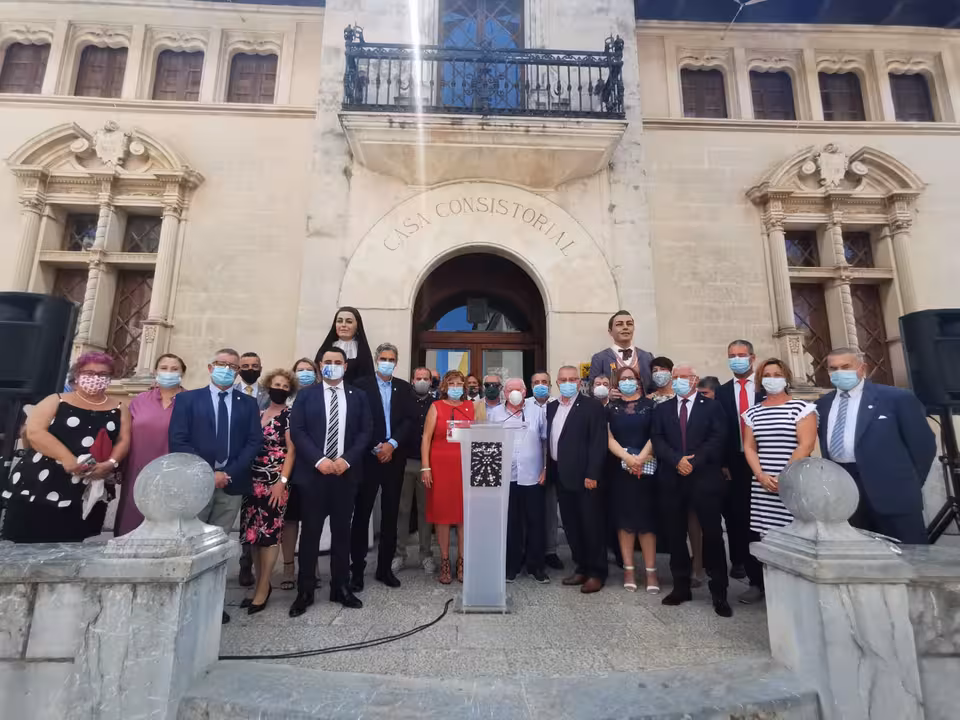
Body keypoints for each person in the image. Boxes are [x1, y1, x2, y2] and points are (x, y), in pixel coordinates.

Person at [169, 347, 262, 624]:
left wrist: (228, 473)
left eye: (233, 367)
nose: (227, 370)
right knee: (191, 543)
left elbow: (253, 442)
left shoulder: (247, 403)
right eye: (222, 364)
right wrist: (208, 473)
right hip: (197, 482)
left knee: (217, 545)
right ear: (210, 368)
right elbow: (178, 439)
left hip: (231, 484)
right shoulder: (188, 400)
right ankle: (186, 601)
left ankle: (211, 603)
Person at [1, 352, 130, 543]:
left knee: (71, 543)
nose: (96, 378)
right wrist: (66, 458)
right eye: (89, 373)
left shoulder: (119, 407)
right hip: (41, 483)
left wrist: (111, 463)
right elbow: (35, 432)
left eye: (103, 374)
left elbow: (123, 440)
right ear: (77, 375)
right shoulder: (56, 400)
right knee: (26, 540)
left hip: (86, 486)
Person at [816, 347, 935, 545]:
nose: (839, 372)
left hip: (893, 493)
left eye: (845, 367)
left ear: (862, 368)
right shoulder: (823, 405)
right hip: (847, 492)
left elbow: (923, 445)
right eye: (833, 368)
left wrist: (910, 483)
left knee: (910, 555)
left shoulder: (897, 398)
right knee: (863, 555)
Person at [289, 347, 372, 616]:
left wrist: (346, 460)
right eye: (328, 362)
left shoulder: (358, 396)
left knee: (342, 533)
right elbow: (298, 431)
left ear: (345, 366)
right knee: (310, 534)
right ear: (320, 365)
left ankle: (340, 587)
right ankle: (305, 590)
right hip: (314, 475)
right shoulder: (306, 395)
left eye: (338, 362)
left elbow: (365, 431)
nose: (333, 365)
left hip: (345, 475)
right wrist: (319, 460)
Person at [652, 362, 732, 617]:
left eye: (684, 376)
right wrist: (677, 460)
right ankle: (681, 586)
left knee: (712, 535)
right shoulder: (663, 409)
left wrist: (693, 462)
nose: (678, 380)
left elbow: (717, 438)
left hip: (704, 478)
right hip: (672, 478)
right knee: (675, 535)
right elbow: (658, 439)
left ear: (695, 380)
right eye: (675, 377)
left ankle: (719, 592)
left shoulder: (711, 406)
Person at [740, 358, 817, 604]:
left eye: (777, 374)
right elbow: (750, 447)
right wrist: (761, 475)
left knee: (794, 532)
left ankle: (797, 589)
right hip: (763, 483)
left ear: (786, 378)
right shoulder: (752, 412)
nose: (772, 379)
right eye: (767, 375)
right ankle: (768, 587)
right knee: (765, 535)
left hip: (792, 480)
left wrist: (784, 476)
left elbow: (806, 444)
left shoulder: (801, 408)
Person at [351, 342, 414, 591]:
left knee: (391, 514)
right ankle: (357, 570)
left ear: (396, 362)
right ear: (377, 360)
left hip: (394, 458)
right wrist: (375, 447)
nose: (387, 362)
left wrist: (392, 445)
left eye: (391, 359)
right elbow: (356, 420)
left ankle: (384, 569)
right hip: (369, 458)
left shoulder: (404, 387)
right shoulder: (361, 386)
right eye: (383, 358)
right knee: (362, 514)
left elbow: (409, 420)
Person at [238, 369, 296, 614]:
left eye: (284, 386)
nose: (279, 389)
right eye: (276, 385)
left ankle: (263, 586)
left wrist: (282, 481)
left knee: (270, 533)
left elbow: (291, 452)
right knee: (253, 534)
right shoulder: (258, 413)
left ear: (289, 391)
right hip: (252, 480)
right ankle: (259, 583)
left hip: (274, 481)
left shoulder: (289, 416)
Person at [547, 365, 607, 593]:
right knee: (572, 525)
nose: (568, 383)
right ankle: (581, 567)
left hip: (585, 478)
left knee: (591, 525)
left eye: (572, 379)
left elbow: (598, 442)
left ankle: (597, 572)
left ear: (579, 382)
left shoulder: (592, 406)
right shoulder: (552, 407)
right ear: (557, 383)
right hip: (561, 475)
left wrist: (593, 474)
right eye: (563, 379)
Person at [115, 353, 186, 537]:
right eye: (164, 368)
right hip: (137, 471)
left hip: (174, 474)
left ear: (182, 374)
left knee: (166, 525)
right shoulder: (140, 400)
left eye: (174, 369)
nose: (168, 372)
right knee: (131, 523)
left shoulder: (192, 401)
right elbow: (124, 435)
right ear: (155, 372)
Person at [489, 378, 549, 583]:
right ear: (504, 393)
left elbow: (545, 441)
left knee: (535, 522)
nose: (514, 393)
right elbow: (490, 444)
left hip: (533, 475)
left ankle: (536, 566)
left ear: (525, 392)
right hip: (507, 476)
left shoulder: (537, 411)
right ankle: (511, 566)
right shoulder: (495, 413)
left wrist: (545, 469)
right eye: (509, 389)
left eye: (518, 389)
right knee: (510, 523)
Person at [606, 366, 659, 594]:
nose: (628, 381)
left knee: (647, 522)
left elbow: (656, 434)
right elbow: (608, 437)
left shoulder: (651, 406)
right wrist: (627, 458)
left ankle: (651, 571)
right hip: (620, 469)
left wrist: (640, 458)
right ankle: (628, 569)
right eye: (623, 379)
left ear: (639, 381)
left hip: (647, 469)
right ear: (617, 383)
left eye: (631, 378)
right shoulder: (611, 408)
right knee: (625, 521)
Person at [420, 370, 475, 584]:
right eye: (452, 383)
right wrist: (426, 467)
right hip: (440, 467)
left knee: (463, 516)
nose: (456, 387)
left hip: (465, 467)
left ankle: (462, 561)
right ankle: (444, 561)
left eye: (459, 383)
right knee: (442, 516)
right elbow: (426, 438)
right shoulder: (436, 407)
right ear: (444, 386)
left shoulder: (471, 407)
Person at [717, 340, 764, 583]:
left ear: (752, 358)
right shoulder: (722, 392)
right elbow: (720, 431)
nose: (736, 359)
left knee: (766, 513)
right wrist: (723, 463)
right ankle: (742, 563)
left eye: (741, 355)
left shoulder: (766, 388)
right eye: (732, 355)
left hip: (766, 460)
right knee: (738, 514)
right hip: (735, 461)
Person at [279, 357, 321, 590]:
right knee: (290, 519)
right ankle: (288, 566)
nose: (304, 373)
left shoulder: (322, 396)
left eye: (309, 370)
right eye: (300, 370)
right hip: (285, 465)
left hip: (313, 464)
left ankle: (311, 565)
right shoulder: (283, 397)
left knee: (312, 518)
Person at [393, 366, 436, 574]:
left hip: (427, 464)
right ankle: (399, 554)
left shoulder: (435, 404)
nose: (422, 381)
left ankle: (426, 554)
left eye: (426, 378)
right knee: (402, 510)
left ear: (431, 382)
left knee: (425, 510)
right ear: (412, 380)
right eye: (418, 378)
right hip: (404, 461)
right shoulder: (402, 401)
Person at [526, 371, 563, 571]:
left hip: (552, 463)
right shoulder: (524, 405)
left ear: (550, 385)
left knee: (550, 509)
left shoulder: (559, 405)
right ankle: (528, 549)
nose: (540, 385)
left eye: (544, 382)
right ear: (531, 385)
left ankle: (550, 551)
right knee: (528, 510)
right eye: (536, 382)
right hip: (528, 464)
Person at [588, 310, 655, 394]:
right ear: (610, 332)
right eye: (619, 324)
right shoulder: (600, 358)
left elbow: (655, 386)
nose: (625, 327)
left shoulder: (647, 357)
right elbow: (592, 389)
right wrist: (607, 395)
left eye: (629, 324)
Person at [314, 306, 374, 385]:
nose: (343, 325)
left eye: (349, 322)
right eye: (339, 321)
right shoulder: (325, 349)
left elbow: (367, 379)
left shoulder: (362, 351)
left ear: (357, 325)